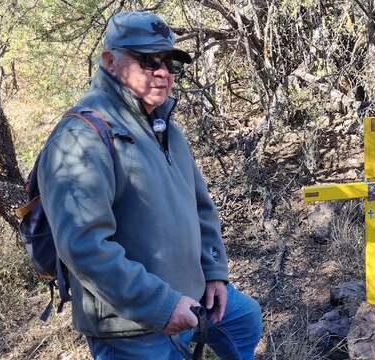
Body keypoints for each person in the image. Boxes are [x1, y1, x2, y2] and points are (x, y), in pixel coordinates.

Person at [36, 11, 262, 359]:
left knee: (244, 319)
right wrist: (161, 306)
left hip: (192, 295)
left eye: (170, 63)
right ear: (110, 60)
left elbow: (199, 206)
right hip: (132, 326)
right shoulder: (82, 136)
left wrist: (214, 271)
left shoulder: (163, 124)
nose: (162, 72)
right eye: (146, 60)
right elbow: (83, 246)